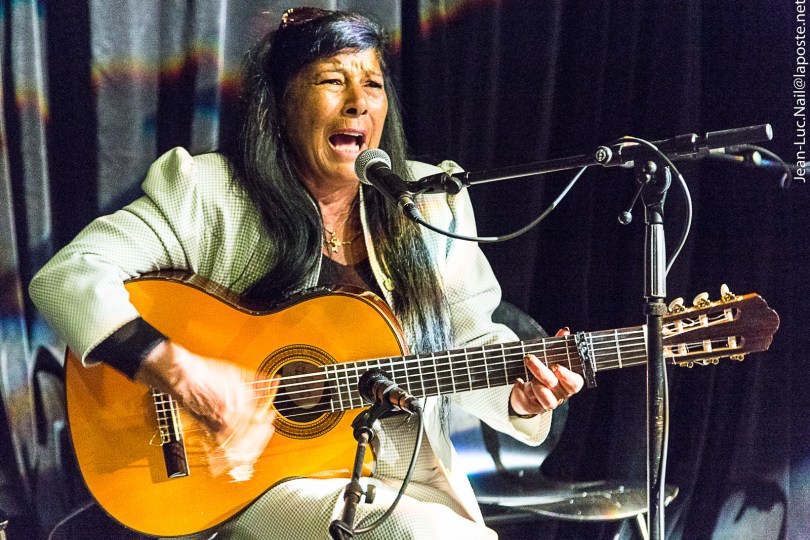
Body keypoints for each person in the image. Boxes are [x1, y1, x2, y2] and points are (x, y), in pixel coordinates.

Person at [29, 7, 583, 539]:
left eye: (372, 84)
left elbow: (466, 339)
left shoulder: (430, 202)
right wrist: (183, 375)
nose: (358, 103)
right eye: (333, 81)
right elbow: (68, 275)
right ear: (281, 104)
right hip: (254, 481)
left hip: (410, 477)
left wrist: (521, 395)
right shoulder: (207, 191)